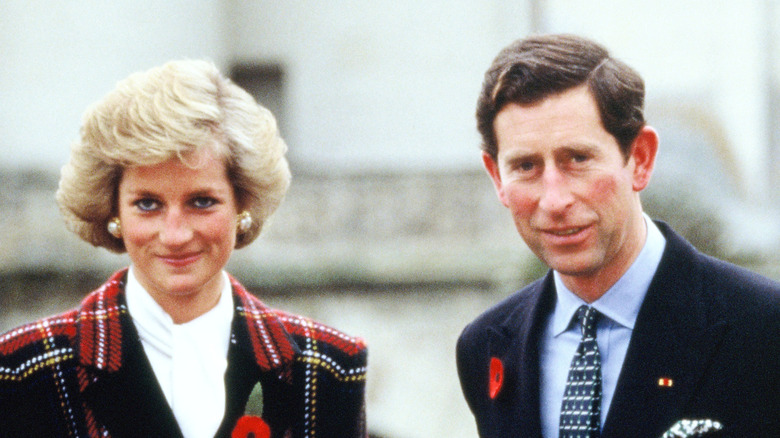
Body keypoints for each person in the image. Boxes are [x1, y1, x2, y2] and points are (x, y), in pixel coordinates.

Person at [0, 60, 367, 438]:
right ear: (113, 212)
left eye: (202, 201)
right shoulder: (23, 370)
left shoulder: (328, 368)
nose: (174, 235)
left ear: (243, 204)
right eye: (147, 204)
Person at [456, 34, 780, 438]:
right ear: (496, 177)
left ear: (640, 159)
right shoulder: (485, 347)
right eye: (525, 166)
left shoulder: (762, 328)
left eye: (578, 159)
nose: (554, 199)